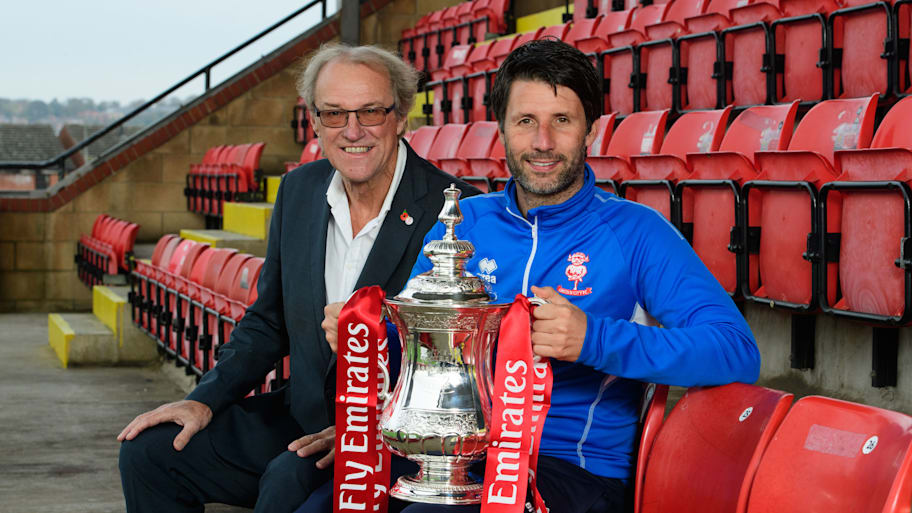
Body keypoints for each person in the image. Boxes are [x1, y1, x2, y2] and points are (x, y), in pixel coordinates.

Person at [313, 39, 761, 513]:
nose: (543, 141)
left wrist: (594, 339)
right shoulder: (464, 223)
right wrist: (369, 336)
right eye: (526, 121)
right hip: (455, 452)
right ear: (502, 130)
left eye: (561, 120)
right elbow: (417, 354)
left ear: (590, 130)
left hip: (569, 469)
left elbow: (736, 351)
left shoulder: (637, 232)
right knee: (299, 488)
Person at [116, 43, 479, 513]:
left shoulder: (459, 211)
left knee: (289, 482)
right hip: (299, 418)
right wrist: (204, 399)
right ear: (314, 121)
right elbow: (267, 322)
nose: (352, 131)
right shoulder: (298, 189)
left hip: (397, 439)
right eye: (334, 114)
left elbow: (460, 365)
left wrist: (365, 431)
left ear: (401, 116)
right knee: (150, 452)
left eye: (370, 111)